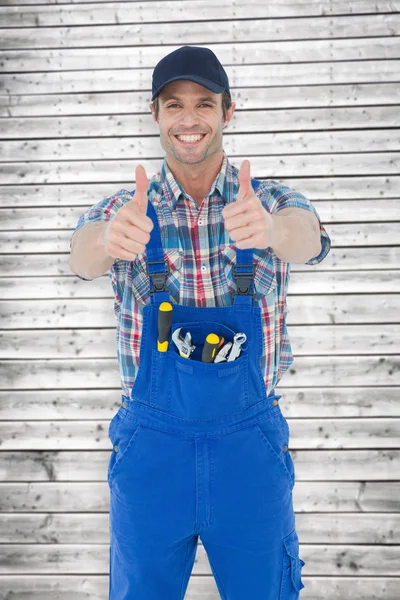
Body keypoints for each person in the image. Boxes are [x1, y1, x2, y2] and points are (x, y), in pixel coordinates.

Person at [70, 45, 331, 600]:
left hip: (249, 453)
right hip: (151, 453)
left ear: (227, 113)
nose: (189, 119)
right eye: (174, 105)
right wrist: (108, 240)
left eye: (204, 104)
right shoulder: (125, 209)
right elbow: (82, 255)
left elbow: (307, 238)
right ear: (156, 116)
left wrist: (271, 232)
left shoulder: (269, 200)